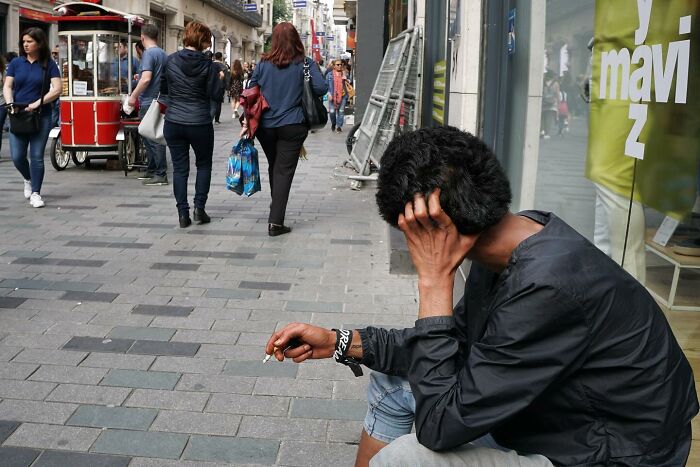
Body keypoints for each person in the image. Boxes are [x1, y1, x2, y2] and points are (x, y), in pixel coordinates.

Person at [264, 126, 698, 466]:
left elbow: (439, 428)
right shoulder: (518, 239)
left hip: (611, 453)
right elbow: (452, 345)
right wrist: (342, 341)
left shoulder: (546, 284)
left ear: (436, 227)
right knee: (396, 382)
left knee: (407, 459)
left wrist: (433, 281)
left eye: (412, 234)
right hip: (560, 417)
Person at [245, 22, 327, 236]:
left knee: (275, 166)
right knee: (283, 170)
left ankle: (276, 208)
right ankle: (276, 222)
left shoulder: (263, 64)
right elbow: (321, 88)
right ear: (296, 40)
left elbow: (250, 89)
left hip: (266, 126)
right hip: (293, 125)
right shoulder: (305, 63)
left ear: (275, 40)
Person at [160, 21, 218, 229]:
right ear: (202, 41)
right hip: (200, 121)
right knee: (203, 164)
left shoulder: (170, 61)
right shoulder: (208, 65)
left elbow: (163, 89)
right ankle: (199, 209)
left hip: (174, 121)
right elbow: (215, 94)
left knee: (180, 169)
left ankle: (182, 214)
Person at [3, 28, 62, 208]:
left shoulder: (48, 64)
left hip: (40, 115)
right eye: (24, 42)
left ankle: (36, 193)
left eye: (29, 41)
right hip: (18, 114)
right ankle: (28, 178)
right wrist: (10, 103)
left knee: (36, 156)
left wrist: (38, 102)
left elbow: (57, 89)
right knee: (17, 156)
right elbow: (7, 86)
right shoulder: (16, 63)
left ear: (39, 43)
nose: (25, 45)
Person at [128, 24, 168, 186]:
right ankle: (152, 169)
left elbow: (146, 79)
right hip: (160, 99)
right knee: (149, 135)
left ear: (143, 38)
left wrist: (133, 96)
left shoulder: (148, 54)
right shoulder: (163, 53)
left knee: (153, 137)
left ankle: (160, 173)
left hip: (150, 100)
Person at [326, 59, 349, 133]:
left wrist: (346, 79)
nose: (339, 66)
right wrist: (329, 93)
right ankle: (333, 123)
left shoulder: (344, 73)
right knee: (332, 112)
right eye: (337, 65)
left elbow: (349, 82)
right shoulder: (329, 74)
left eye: (340, 64)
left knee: (341, 111)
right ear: (334, 66)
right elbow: (326, 85)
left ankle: (339, 126)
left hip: (343, 95)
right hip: (332, 96)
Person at [540, 70, 559, 139]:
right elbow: (557, 94)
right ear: (552, 76)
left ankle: (541, 131)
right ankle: (547, 133)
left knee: (542, 117)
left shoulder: (542, 82)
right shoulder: (555, 83)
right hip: (552, 103)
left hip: (543, 101)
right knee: (548, 119)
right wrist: (558, 104)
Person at [210, 51, 226, 124]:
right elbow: (223, 75)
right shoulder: (222, 66)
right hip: (220, 86)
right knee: (218, 103)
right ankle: (216, 119)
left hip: (210, 85)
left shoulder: (211, 64)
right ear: (221, 57)